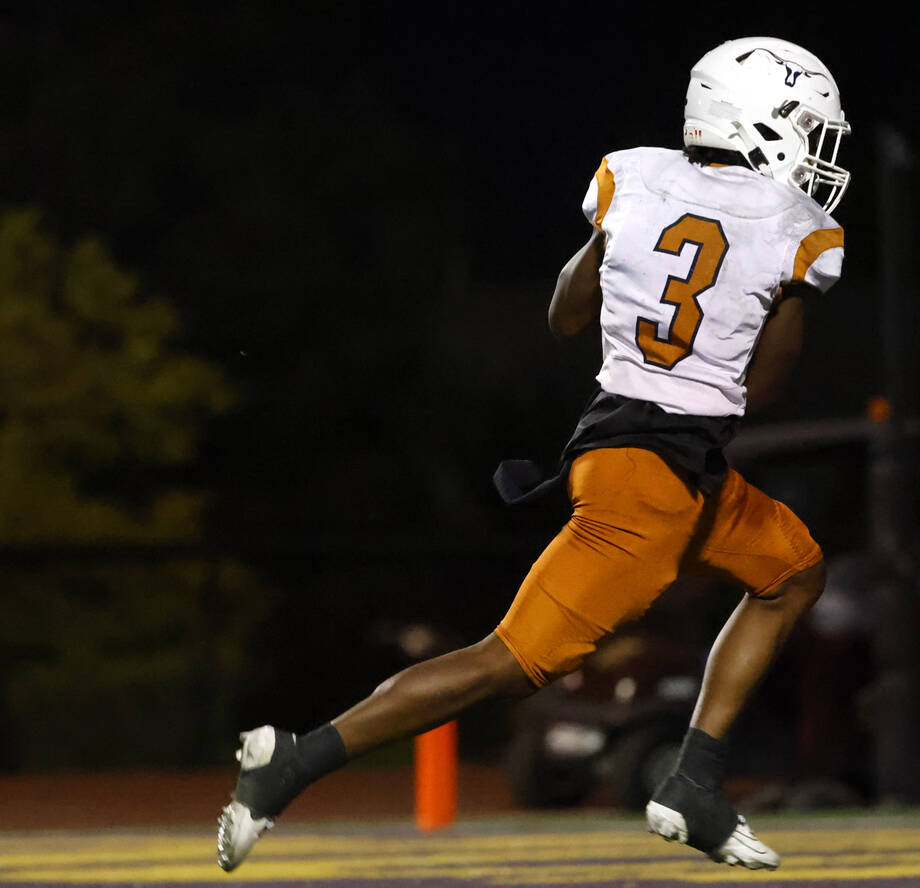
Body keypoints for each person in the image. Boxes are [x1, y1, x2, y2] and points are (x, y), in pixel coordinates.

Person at [217, 35, 850, 873]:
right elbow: (764, 386)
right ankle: (291, 763)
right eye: (807, 126)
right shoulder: (800, 230)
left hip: (639, 455)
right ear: (764, 123)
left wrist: (610, 241)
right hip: (652, 485)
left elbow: (563, 317)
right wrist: (788, 297)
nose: (817, 148)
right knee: (505, 664)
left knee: (793, 570)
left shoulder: (632, 176)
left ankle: (694, 781)